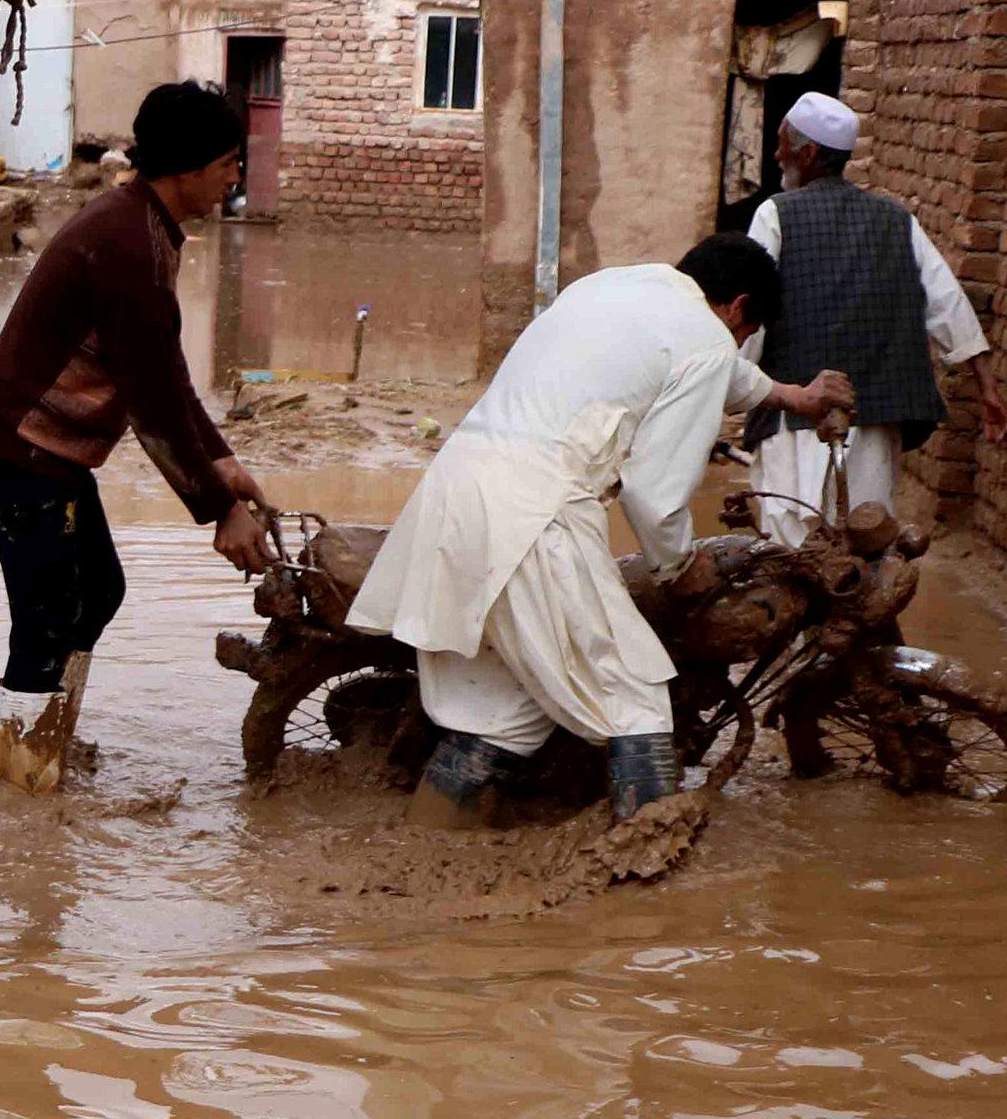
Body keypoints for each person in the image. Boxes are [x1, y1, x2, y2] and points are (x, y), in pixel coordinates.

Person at [348, 236, 855, 824]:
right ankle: (643, 878)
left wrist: (793, 396)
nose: (736, 347)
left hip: (454, 495)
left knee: (499, 716)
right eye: (745, 334)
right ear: (739, 307)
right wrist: (680, 564)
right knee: (636, 700)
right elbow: (653, 491)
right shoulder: (709, 343)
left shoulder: (612, 287)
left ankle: (422, 856)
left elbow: (708, 369)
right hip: (535, 516)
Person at [0, 81, 275, 793]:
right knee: (43, 620)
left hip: (49, 451)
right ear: (187, 169)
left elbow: (165, 372)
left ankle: (47, 742)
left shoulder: (148, 226)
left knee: (96, 590)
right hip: (18, 445)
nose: (234, 179)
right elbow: (153, 402)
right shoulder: (128, 244)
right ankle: (24, 793)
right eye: (227, 163)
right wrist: (220, 509)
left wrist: (222, 461)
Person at [741, 91, 1007, 543]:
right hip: (876, 416)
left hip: (797, 414)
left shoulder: (775, 214)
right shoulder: (896, 219)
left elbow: (751, 311)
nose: (776, 154)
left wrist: (732, 386)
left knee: (788, 542)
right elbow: (946, 302)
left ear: (807, 153)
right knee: (863, 538)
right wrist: (988, 387)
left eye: (782, 143)